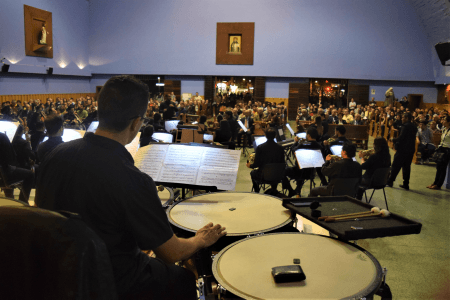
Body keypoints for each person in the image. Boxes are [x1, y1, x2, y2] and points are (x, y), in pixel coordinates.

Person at [35, 76, 226, 299]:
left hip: (58, 273)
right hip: (110, 281)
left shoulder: (54, 156)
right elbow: (170, 253)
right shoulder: (132, 178)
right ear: (136, 123)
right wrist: (200, 240)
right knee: (182, 278)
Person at [282, 128, 325, 197]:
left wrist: (296, 142)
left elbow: (293, 150)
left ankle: (291, 190)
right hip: (311, 173)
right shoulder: (320, 146)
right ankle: (297, 190)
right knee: (302, 167)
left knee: (283, 170)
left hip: (299, 172)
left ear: (308, 135)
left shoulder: (303, 145)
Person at [246, 128, 285, 193]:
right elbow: (282, 163)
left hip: (263, 176)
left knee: (253, 173)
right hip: (278, 175)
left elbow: (257, 164)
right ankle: (273, 189)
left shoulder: (260, 147)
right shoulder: (280, 148)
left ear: (265, 136)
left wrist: (250, 165)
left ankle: (257, 192)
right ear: (275, 136)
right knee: (274, 169)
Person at [0, 132, 34, 203]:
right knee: (30, 174)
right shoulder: (2, 136)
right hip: (3, 173)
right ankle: (22, 202)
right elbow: (10, 158)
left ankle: (10, 198)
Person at [387, 113, 417, 190]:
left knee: (396, 165)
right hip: (410, 150)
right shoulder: (414, 126)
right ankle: (406, 184)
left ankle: (390, 181)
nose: (402, 119)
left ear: (407, 118)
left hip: (402, 149)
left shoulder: (405, 126)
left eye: (403, 117)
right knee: (406, 167)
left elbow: (401, 137)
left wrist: (393, 139)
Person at [427, 116, 450, 190]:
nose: (443, 121)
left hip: (447, 150)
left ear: (448, 122)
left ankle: (439, 185)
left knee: (443, 168)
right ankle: (435, 183)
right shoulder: (444, 130)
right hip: (442, 149)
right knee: (438, 167)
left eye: (444, 120)